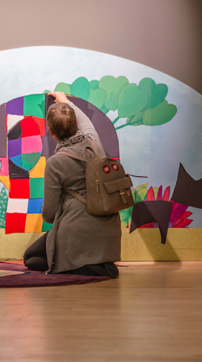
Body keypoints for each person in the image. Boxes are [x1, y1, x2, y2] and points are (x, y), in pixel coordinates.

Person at [23, 91, 122, 277]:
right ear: (76, 124)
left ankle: (84, 265)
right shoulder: (93, 143)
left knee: (30, 259)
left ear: (51, 133)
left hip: (76, 231)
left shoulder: (55, 162)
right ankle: (97, 261)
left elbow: (49, 216)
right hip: (107, 229)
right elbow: (87, 123)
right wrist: (66, 102)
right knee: (33, 256)